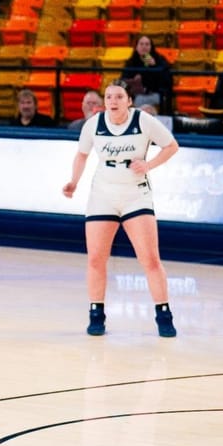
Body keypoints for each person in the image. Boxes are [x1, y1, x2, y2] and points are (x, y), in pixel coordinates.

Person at [62, 79, 179, 337]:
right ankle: (96, 314)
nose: (113, 101)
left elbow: (171, 146)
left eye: (118, 97)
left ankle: (163, 314)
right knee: (95, 259)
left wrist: (149, 165)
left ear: (129, 101)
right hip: (102, 194)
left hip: (135, 195)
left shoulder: (143, 121)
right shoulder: (94, 124)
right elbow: (82, 155)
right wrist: (74, 181)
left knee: (149, 259)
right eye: (108, 97)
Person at [120, 35, 172, 113]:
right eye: (141, 44)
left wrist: (155, 66)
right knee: (138, 99)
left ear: (151, 47)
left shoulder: (160, 60)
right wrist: (134, 80)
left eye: (147, 44)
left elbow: (168, 81)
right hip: (137, 95)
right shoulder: (130, 62)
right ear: (136, 47)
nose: (144, 47)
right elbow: (124, 80)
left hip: (156, 94)